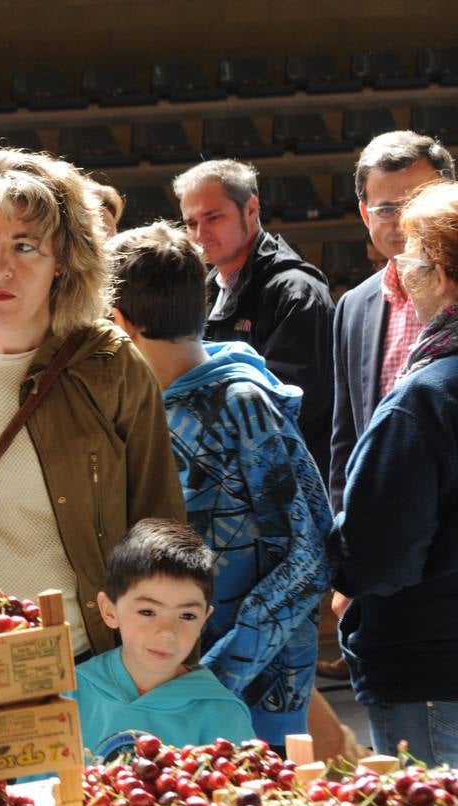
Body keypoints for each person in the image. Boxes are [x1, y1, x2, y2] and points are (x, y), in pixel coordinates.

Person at [0, 148, 186, 661]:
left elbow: (159, 527)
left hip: (80, 657)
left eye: (25, 247)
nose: (0, 268)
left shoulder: (111, 364)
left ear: (63, 260)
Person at [108, 221, 332, 747]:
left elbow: (310, 555)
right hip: (169, 680)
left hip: (255, 693)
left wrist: (221, 668)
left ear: (120, 322)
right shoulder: (137, 411)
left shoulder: (243, 404)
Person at [330, 180, 458, 766]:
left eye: (409, 256)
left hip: (431, 671)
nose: (399, 270)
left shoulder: (426, 397)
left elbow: (378, 555)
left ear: (439, 273)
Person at [174, 159, 335, 477]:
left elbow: (292, 410)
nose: (200, 234)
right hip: (230, 480)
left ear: (251, 209)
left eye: (213, 217)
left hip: (286, 484)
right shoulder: (204, 290)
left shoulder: (297, 290)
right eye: (190, 223)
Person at [330, 132, 454, 511]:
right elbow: (345, 439)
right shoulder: (353, 306)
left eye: (418, 202)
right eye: (386, 209)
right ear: (366, 215)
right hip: (384, 537)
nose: (403, 223)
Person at [74, 518, 255, 761]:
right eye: (148, 612)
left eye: (187, 615)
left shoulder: (221, 713)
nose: (167, 631)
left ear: (204, 620)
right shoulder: (71, 696)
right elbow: (37, 790)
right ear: (109, 611)